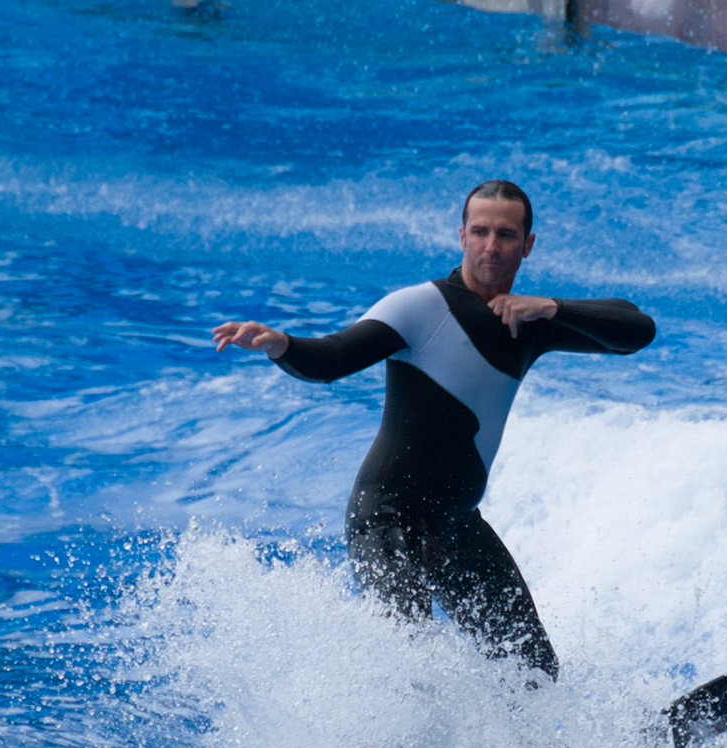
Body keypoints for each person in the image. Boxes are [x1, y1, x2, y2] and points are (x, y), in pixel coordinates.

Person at [211, 180, 655, 684]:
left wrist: (553, 308)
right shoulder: (419, 307)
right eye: (481, 232)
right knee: (410, 656)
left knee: (535, 673)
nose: (491, 246)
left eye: (506, 235)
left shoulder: (532, 321)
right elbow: (332, 358)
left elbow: (635, 329)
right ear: (461, 236)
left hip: (457, 524)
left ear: (528, 245)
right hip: (385, 521)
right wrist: (281, 344)